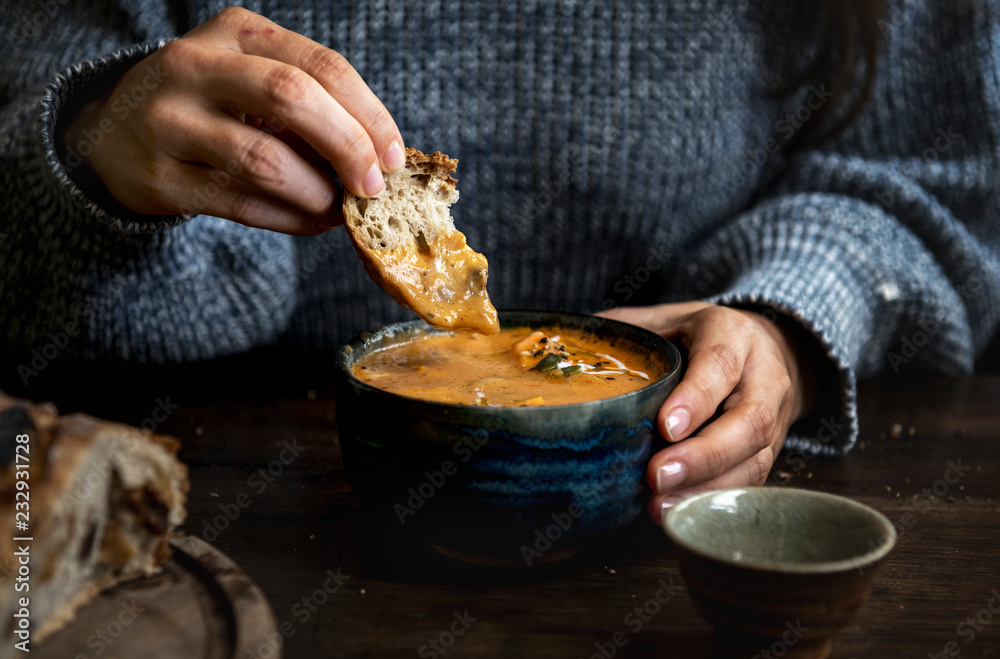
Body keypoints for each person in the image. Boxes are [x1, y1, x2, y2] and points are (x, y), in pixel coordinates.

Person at [1, 1, 997, 524]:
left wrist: (783, 313)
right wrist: (83, 162)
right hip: (219, 526)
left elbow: (933, 174)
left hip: (668, 538)